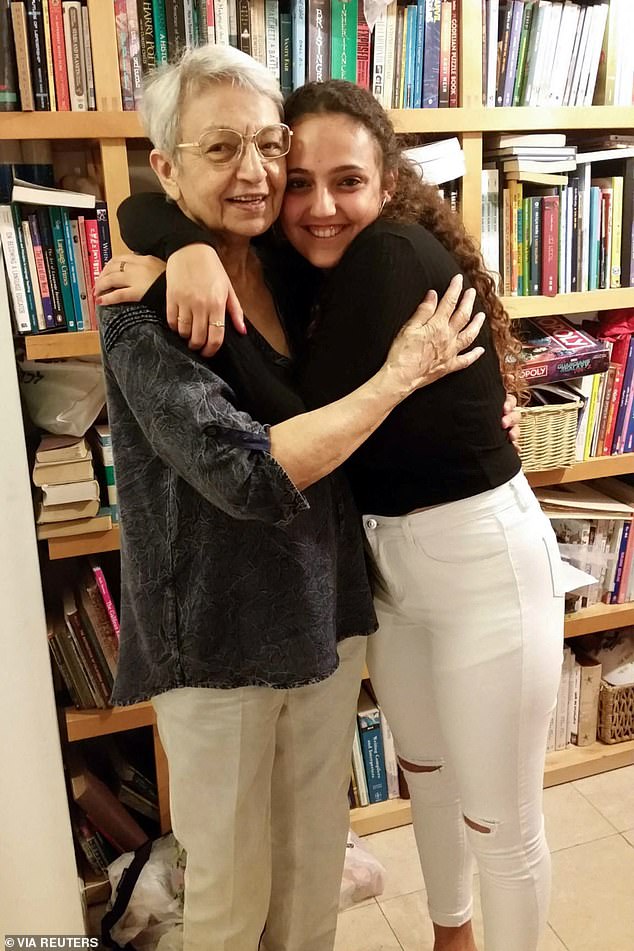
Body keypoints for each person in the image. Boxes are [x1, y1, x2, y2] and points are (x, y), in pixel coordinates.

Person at [101, 73, 568, 951]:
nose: (288, 189)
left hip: (357, 607)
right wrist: (176, 255)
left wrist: (465, 401)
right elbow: (253, 467)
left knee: (337, 870)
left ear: (386, 182)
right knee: (237, 899)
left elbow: (310, 403)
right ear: (168, 166)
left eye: (270, 148)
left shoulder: (346, 259)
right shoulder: (176, 300)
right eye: (224, 148)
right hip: (233, 637)